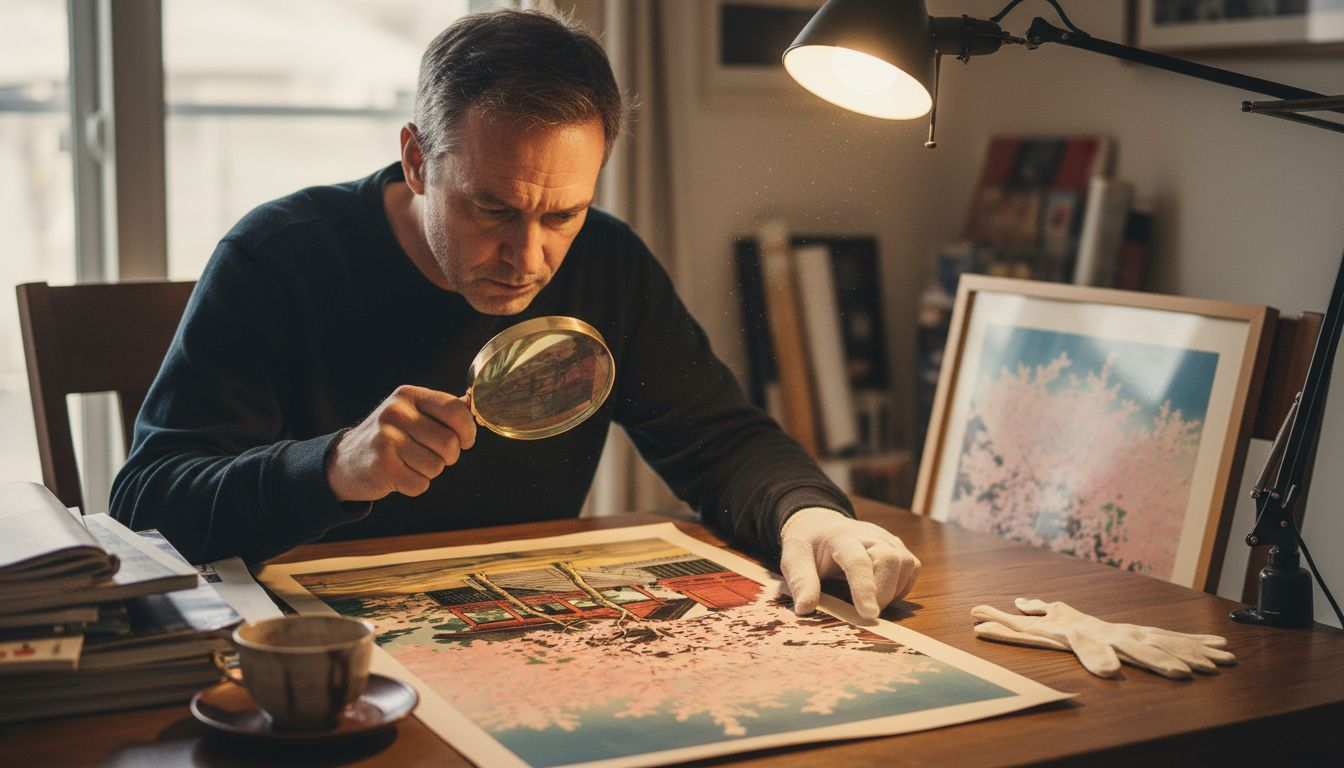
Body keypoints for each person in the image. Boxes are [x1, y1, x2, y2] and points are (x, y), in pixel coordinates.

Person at [110, 8, 919, 621]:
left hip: (519, 628)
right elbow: (148, 505)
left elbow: (720, 441)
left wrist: (810, 514)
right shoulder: (277, 259)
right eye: (492, 210)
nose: (529, 257)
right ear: (418, 161)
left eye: (562, 214)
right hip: (316, 658)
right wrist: (332, 467)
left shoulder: (607, 260)